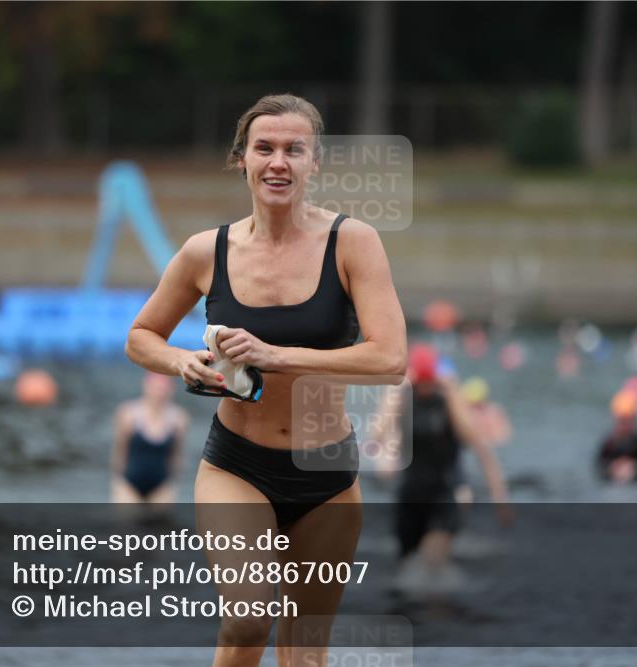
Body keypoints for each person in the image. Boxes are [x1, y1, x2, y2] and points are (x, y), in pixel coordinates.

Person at [125, 94, 407, 667]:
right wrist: (181, 361)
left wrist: (277, 355)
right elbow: (140, 337)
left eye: (293, 150)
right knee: (247, 622)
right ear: (242, 159)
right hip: (238, 465)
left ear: (314, 162)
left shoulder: (354, 242)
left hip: (327, 472)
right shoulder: (206, 251)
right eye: (265, 148)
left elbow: (390, 359)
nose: (279, 161)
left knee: (304, 653)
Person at [373, 343, 512, 596]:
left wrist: (500, 499)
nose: (424, 388)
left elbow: (481, 450)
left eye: (429, 382)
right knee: (404, 575)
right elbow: (376, 436)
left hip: (443, 495)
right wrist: (397, 389)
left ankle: (440, 620)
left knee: (432, 565)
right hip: (410, 496)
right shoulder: (403, 398)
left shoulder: (447, 401)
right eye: (420, 382)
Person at [110, 372, 189, 504]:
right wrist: (117, 483)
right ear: (146, 386)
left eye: (163, 389)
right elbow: (119, 451)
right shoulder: (128, 413)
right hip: (130, 483)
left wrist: (173, 484)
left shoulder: (179, 419)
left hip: (161, 485)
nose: (159, 393)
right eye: (156, 388)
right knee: (126, 522)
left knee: (160, 523)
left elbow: (176, 455)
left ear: (171, 390)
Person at [596, 397, 637, 483]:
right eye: (622, 421)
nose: (624, 425)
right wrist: (612, 468)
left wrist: (635, 468)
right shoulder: (609, 442)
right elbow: (599, 468)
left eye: (628, 420)